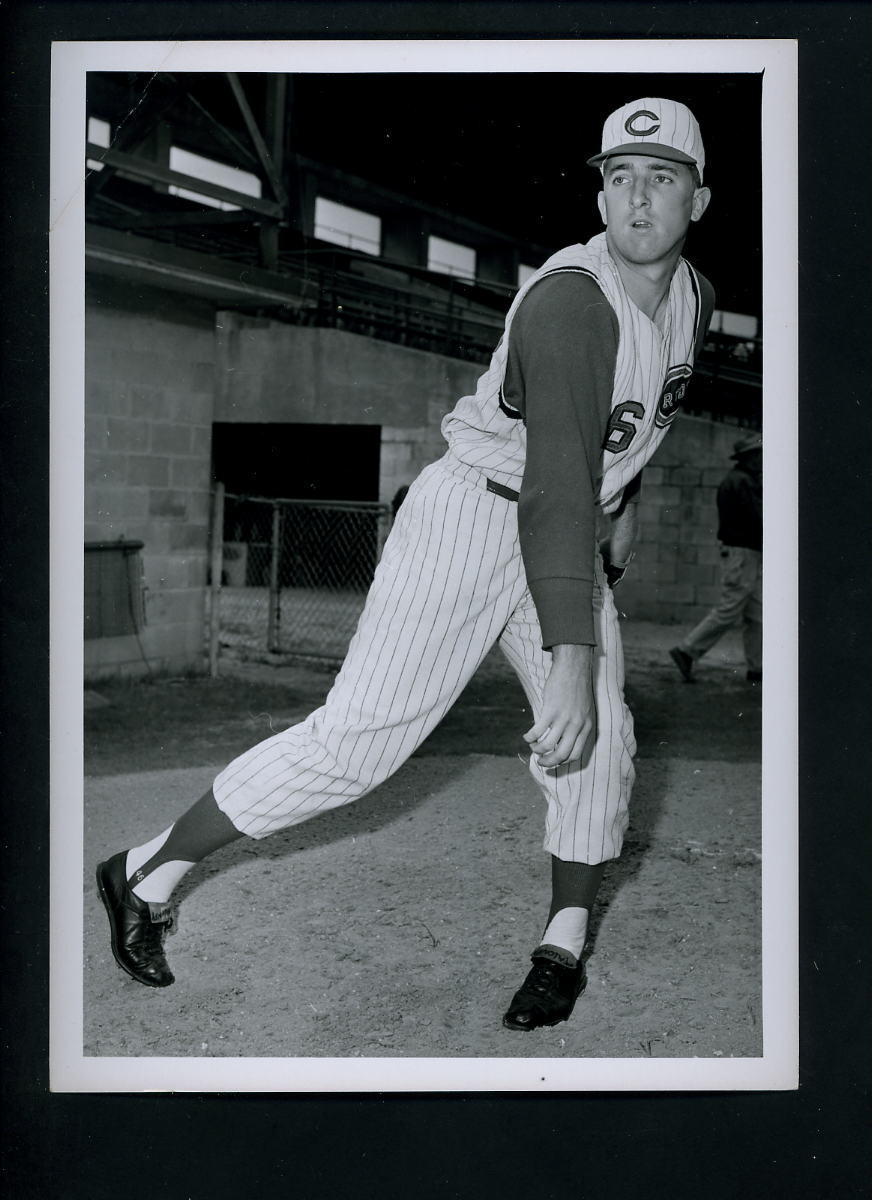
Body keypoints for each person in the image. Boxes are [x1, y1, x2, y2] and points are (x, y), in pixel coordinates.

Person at [97, 97, 715, 1033]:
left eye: (660, 179)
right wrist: (574, 658)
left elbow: (626, 427)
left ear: (696, 202)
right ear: (600, 192)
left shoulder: (696, 298)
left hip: (562, 527)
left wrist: (620, 505)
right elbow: (552, 486)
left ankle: (565, 936)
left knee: (601, 743)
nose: (635, 200)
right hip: (473, 518)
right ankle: (144, 872)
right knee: (359, 745)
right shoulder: (569, 304)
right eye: (617, 178)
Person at [669, 433, 762, 684]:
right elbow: (758, 519)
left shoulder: (739, 479)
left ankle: (758, 667)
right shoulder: (743, 481)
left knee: (756, 613)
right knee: (731, 609)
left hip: (743, 552)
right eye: (759, 455)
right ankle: (687, 650)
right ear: (750, 458)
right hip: (743, 553)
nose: (763, 459)